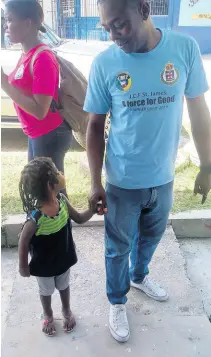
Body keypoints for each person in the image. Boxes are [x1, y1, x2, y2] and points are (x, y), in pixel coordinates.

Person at [84, 0, 211, 343]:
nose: (114, 35)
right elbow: (94, 127)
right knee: (117, 247)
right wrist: (95, 182)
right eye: (106, 28)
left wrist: (207, 164)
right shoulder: (105, 63)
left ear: (143, 9)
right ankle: (117, 299)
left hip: (164, 177)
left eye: (119, 25)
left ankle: (139, 277)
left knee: (152, 238)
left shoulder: (184, 49)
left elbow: (199, 110)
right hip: (122, 182)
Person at [18, 157, 96, 336]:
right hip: (44, 266)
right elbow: (23, 240)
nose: (60, 174)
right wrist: (23, 266)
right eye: (56, 172)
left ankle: (66, 310)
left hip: (63, 258)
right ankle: (48, 314)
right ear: (49, 184)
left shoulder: (61, 200)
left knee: (64, 285)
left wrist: (92, 209)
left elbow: (79, 218)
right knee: (46, 291)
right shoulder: (36, 218)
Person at [1, 0, 71, 179]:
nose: (5, 26)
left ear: (28, 23)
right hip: (37, 133)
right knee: (46, 193)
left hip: (49, 134)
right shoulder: (27, 53)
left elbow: (40, 110)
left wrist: (4, 83)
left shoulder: (43, 58)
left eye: (9, 19)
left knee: (49, 194)